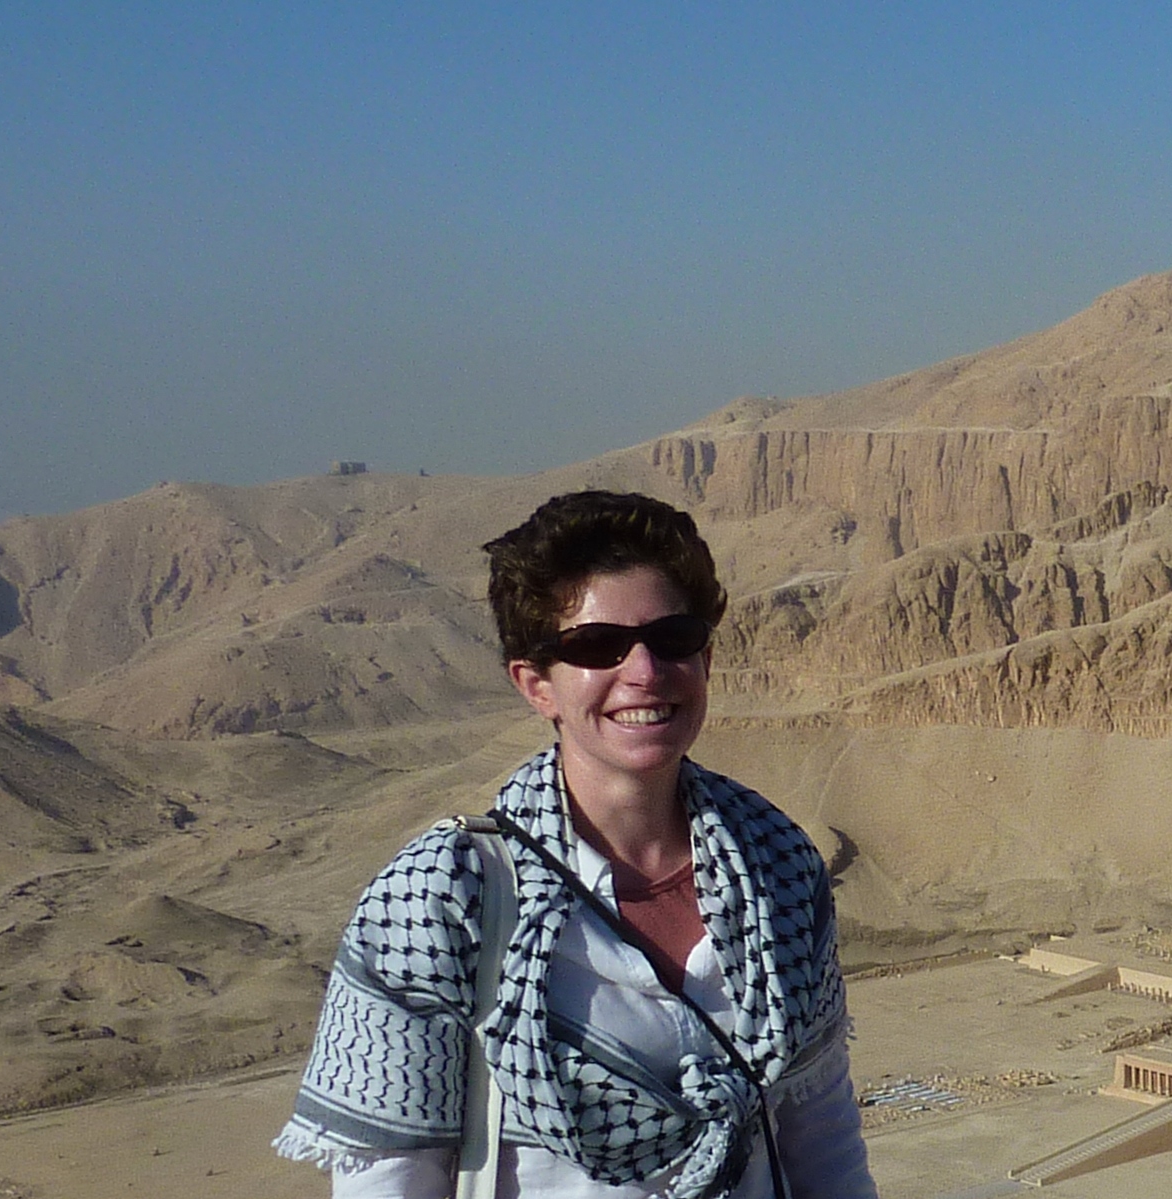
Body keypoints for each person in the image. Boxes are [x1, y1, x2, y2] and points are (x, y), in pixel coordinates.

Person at [276, 491, 874, 1198]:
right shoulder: (442, 902)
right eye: (598, 646)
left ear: (706, 657)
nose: (645, 671)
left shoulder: (775, 866)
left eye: (672, 637)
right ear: (537, 685)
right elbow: (389, 1183)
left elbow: (823, 1141)